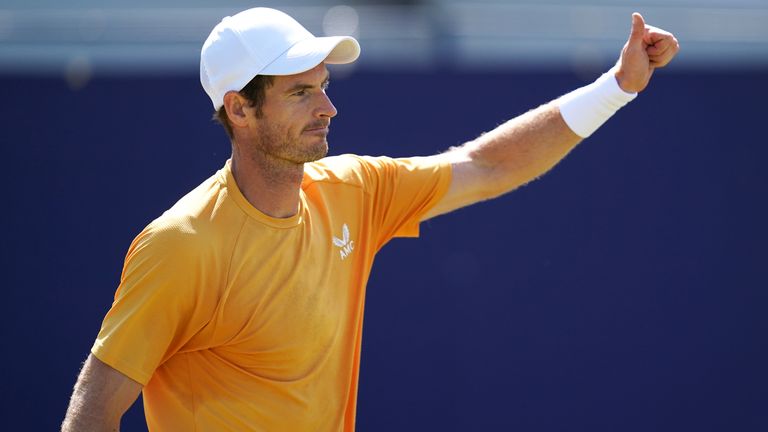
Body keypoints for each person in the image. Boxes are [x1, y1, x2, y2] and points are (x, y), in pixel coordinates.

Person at [61, 6, 679, 431]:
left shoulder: (354, 189)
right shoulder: (181, 246)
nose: (328, 107)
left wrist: (618, 87)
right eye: (300, 93)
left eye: (323, 85)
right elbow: (92, 412)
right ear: (239, 110)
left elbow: (487, 165)